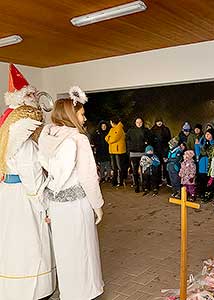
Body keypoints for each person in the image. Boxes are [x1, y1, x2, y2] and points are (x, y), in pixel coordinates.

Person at [38, 87, 104, 300]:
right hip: (76, 205)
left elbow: (45, 173)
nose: (84, 118)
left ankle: (68, 292)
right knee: (83, 247)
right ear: (71, 114)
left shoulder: (46, 138)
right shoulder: (78, 140)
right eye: (82, 114)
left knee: (64, 249)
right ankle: (86, 292)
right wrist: (97, 205)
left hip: (56, 205)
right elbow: (88, 177)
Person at [0, 65, 56, 300]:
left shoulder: (8, 127)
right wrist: (42, 204)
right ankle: (35, 290)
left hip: (8, 194)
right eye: (31, 95)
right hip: (24, 196)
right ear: (24, 100)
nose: (35, 99)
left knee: (10, 242)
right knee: (31, 243)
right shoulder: (23, 134)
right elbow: (31, 173)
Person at [126, 117, 150, 192]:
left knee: (144, 171)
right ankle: (136, 186)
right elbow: (127, 140)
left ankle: (144, 186)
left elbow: (149, 139)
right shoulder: (130, 130)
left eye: (140, 122)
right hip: (133, 153)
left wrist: (146, 143)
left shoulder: (146, 130)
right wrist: (130, 148)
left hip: (143, 153)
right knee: (134, 171)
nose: (139, 124)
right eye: (137, 122)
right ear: (135, 123)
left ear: (142, 123)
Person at [105, 116, 127, 187]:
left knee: (119, 167)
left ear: (113, 122)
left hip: (119, 151)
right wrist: (109, 138)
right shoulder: (112, 129)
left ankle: (120, 181)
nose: (110, 123)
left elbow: (113, 139)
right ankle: (114, 181)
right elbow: (106, 138)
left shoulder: (119, 128)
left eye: (110, 122)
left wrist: (109, 139)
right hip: (112, 150)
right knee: (114, 167)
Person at [195, 129, 214, 201]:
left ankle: (208, 193)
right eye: (206, 134)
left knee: (208, 179)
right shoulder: (201, 141)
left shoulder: (213, 143)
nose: (207, 135)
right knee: (201, 179)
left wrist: (210, 141)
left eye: (209, 134)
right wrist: (197, 145)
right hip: (202, 162)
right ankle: (201, 193)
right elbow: (198, 151)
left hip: (209, 163)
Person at [150, 119, 172, 185]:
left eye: (160, 121)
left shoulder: (166, 129)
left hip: (164, 151)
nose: (159, 123)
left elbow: (169, 139)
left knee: (166, 167)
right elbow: (151, 140)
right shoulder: (152, 130)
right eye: (157, 121)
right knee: (157, 167)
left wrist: (167, 150)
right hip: (156, 151)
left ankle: (169, 181)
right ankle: (158, 181)